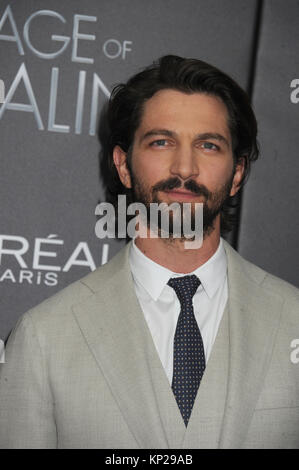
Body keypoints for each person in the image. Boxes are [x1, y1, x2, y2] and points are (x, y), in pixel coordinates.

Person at [0, 55, 299, 449]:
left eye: (208, 145)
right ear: (123, 165)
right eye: (162, 142)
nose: (185, 167)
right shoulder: (43, 338)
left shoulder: (292, 319)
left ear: (237, 174)